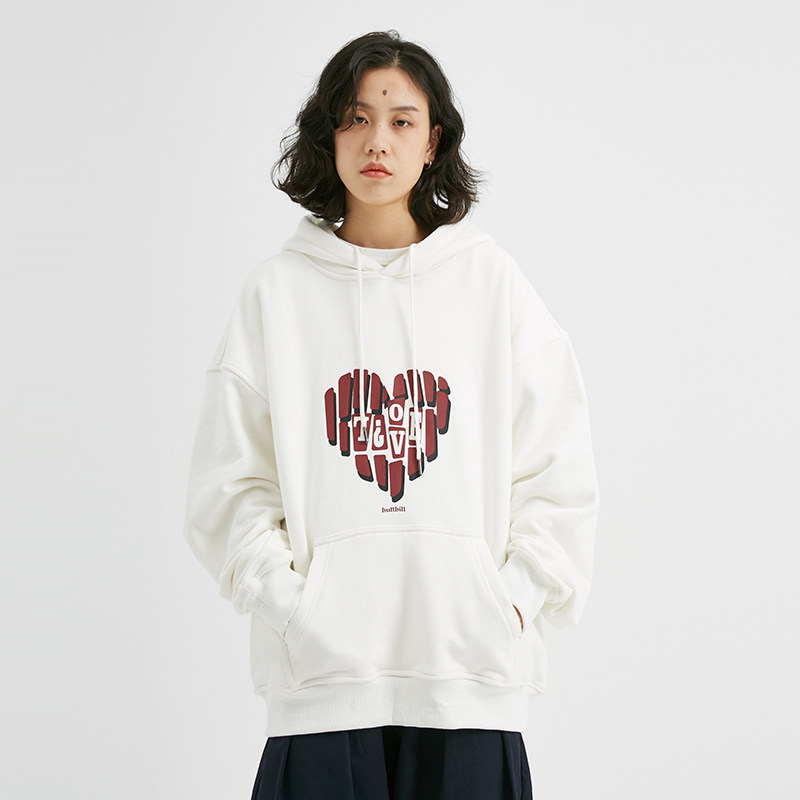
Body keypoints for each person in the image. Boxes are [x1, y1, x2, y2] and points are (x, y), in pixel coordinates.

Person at [182, 29, 600, 800]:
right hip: (322, 690)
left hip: (468, 682)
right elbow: (227, 487)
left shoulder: (492, 285)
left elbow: (560, 470)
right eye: (356, 118)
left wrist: (510, 602)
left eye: (402, 120)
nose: (378, 140)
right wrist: (292, 610)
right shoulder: (276, 295)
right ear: (329, 135)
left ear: (432, 141)